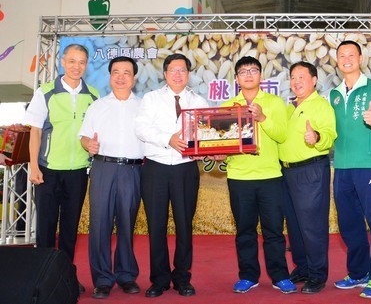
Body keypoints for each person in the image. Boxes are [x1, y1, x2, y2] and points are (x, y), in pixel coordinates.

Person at [24, 43, 99, 293]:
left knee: (69, 229)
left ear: (86, 65)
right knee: (45, 228)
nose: (77, 66)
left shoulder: (94, 95)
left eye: (82, 62)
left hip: (78, 172)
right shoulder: (45, 92)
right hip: (48, 170)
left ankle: (66, 279)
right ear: (62, 62)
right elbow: (35, 132)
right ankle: (41, 281)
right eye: (72, 61)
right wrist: (34, 166)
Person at [135, 53, 208, 298]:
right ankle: (159, 280)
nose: (178, 74)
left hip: (185, 168)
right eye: (173, 70)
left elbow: (206, 133)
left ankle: (182, 279)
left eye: (182, 70)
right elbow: (141, 128)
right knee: (156, 225)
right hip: (155, 167)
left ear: (189, 74)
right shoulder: (151, 98)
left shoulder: (199, 101)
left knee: (184, 225)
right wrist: (168, 139)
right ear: (165, 74)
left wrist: (211, 148)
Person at [221, 56, 296, 295]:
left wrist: (262, 118)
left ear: (261, 76)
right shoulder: (227, 106)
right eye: (243, 71)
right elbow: (224, 141)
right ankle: (248, 276)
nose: (248, 75)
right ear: (236, 78)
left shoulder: (274, 102)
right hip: (239, 177)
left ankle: (280, 276)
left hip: (270, 176)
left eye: (253, 70)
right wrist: (219, 153)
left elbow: (282, 135)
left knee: (274, 231)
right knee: (245, 231)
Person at [330, 40, 371, 299]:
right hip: (341, 168)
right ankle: (358, 273)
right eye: (342, 55)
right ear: (337, 61)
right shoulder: (333, 94)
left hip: (367, 166)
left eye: (351, 55)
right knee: (349, 223)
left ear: (360, 58)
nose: (346, 59)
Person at [79, 57, 144, 299]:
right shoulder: (97, 106)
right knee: (100, 225)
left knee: (127, 223)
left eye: (126, 72)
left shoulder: (143, 106)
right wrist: (88, 144)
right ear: (109, 76)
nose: (120, 77)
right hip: (103, 168)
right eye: (116, 72)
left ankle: (126, 275)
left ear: (134, 78)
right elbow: (84, 136)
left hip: (133, 170)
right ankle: (102, 279)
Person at [279, 62, 337, 294]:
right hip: (286, 171)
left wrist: (317, 137)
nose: (296, 81)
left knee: (312, 226)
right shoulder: (289, 107)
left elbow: (330, 134)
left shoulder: (321, 105)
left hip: (310, 170)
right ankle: (302, 267)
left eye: (302, 77)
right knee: (294, 225)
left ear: (314, 80)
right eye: (293, 77)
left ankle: (317, 274)